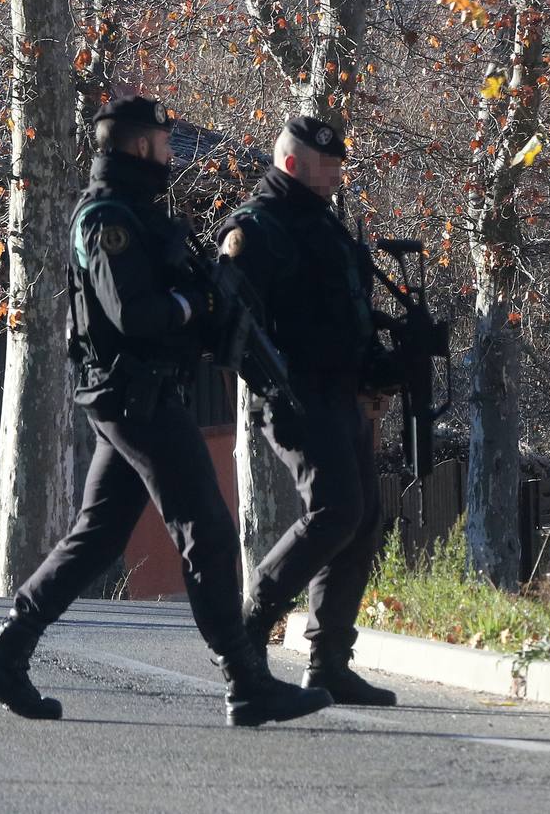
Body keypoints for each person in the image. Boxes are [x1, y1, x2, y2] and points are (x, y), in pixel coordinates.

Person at [0, 96, 332, 727]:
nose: (168, 156)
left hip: (144, 395)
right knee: (209, 531)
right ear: (140, 148)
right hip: (135, 399)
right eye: (163, 146)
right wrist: (193, 304)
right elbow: (131, 312)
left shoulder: (140, 215)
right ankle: (245, 681)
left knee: (97, 537)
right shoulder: (109, 220)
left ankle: (6, 654)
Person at [216, 116, 396, 706]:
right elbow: (232, 322)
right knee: (335, 511)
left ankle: (328, 662)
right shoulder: (258, 227)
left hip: (341, 394)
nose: (336, 176)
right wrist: (275, 381)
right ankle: (248, 625)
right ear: (293, 164)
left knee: (361, 516)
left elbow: (347, 310)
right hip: (295, 396)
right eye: (327, 166)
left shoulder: (325, 227)